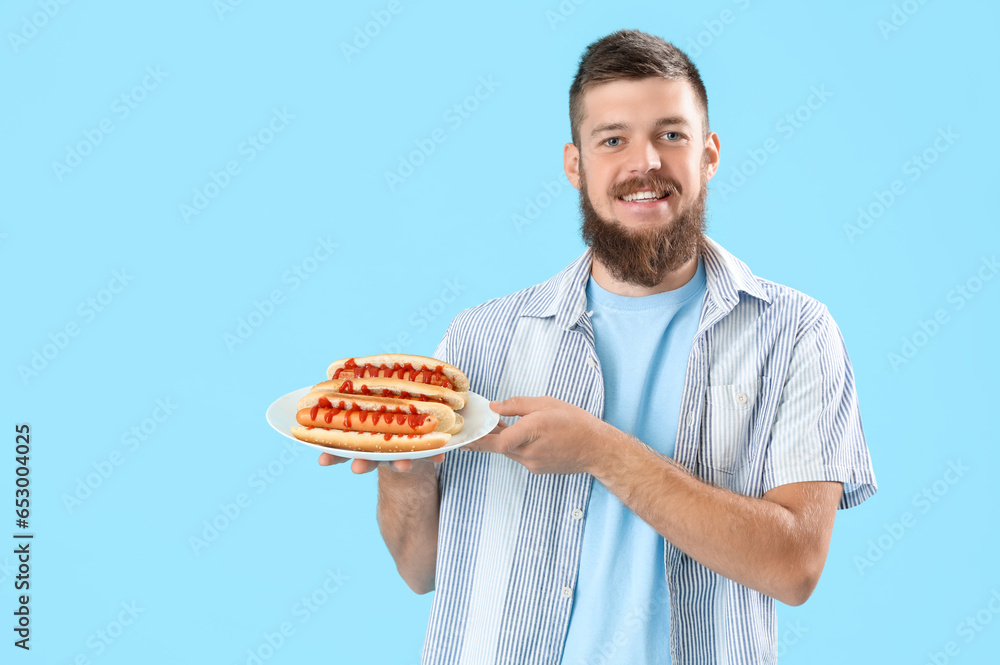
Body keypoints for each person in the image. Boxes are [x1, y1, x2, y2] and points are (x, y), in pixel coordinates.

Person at [319, 29, 877, 664]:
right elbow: (421, 570)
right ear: (575, 164)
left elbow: (795, 567)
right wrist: (408, 475)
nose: (646, 163)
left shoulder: (794, 332)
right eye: (613, 140)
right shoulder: (479, 338)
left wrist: (601, 451)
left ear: (710, 154)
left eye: (671, 134)